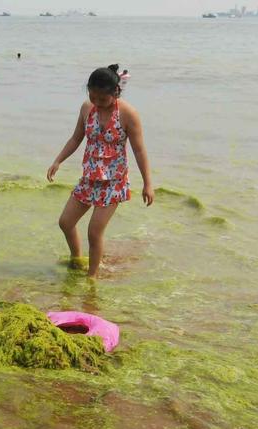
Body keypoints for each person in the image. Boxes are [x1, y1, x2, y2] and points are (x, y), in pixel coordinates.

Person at [46, 64, 153, 278]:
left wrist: (148, 184)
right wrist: (58, 160)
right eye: (93, 97)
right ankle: (77, 259)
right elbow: (77, 138)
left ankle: (92, 278)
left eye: (102, 100)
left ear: (115, 92)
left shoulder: (128, 114)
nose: (97, 103)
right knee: (65, 222)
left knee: (94, 232)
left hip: (113, 182)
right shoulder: (87, 108)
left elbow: (139, 150)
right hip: (89, 178)